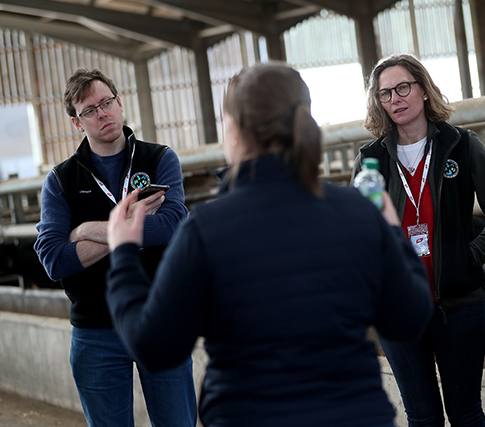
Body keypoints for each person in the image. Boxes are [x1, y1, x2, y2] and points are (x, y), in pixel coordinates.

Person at [103, 62, 434, 427]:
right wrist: (391, 229)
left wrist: (124, 256)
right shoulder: (357, 212)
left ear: (234, 130)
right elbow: (409, 320)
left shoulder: (206, 230)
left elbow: (155, 347)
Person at [352, 53, 485, 427]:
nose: (395, 99)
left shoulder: (461, 145)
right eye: (385, 93)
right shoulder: (371, 160)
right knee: (422, 417)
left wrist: (471, 256)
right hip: (398, 309)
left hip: (459, 304)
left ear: (424, 90)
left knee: (465, 413)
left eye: (403, 88)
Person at [34, 69, 196, 427]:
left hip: (161, 318)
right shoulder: (61, 180)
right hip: (95, 330)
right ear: (77, 123)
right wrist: (131, 223)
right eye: (89, 110)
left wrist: (84, 231)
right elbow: (54, 260)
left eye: (106, 102)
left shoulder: (159, 159)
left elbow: (172, 225)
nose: (102, 113)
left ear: (120, 103)